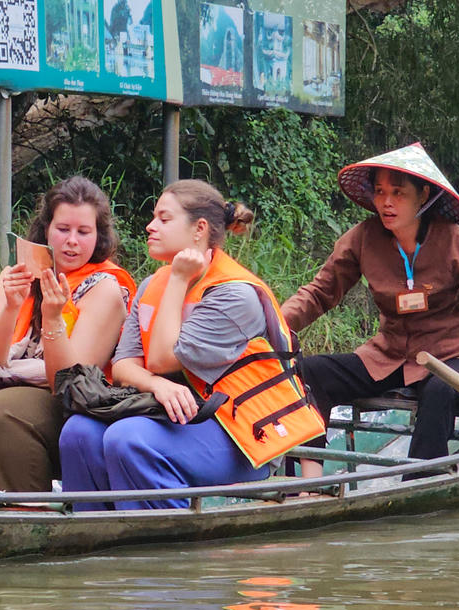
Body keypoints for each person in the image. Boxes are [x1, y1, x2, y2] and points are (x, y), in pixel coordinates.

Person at [59, 180, 324, 510]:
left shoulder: (234, 295)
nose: (150, 226)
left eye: (164, 219)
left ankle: (164, 542)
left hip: (239, 435)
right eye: (154, 217)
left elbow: (160, 358)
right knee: (78, 433)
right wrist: (157, 386)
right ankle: (95, 542)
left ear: (199, 229)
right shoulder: (150, 285)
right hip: (174, 418)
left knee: (128, 439)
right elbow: (126, 365)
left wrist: (179, 279)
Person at [283, 143, 459, 476]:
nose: (386, 202)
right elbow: (318, 294)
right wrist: (275, 325)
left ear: (422, 195)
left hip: (453, 358)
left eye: (398, 193)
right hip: (388, 357)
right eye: (380, 192)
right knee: (310, 372)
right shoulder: (362, 238)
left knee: (441, 389)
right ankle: (306, 480)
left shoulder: (455, 240)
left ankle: (419, 481)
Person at [0, 176, 135, 491]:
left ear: (98, 236)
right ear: (46, 229)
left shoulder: (105, 288)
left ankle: (29, 507)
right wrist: (9, 308)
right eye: (63, 230)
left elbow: (70, 381)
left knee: (6, 408)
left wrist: (52, 318)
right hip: (10, 389)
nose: (72, 241)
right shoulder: (14, 276)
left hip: (79, 407)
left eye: (83, 232)